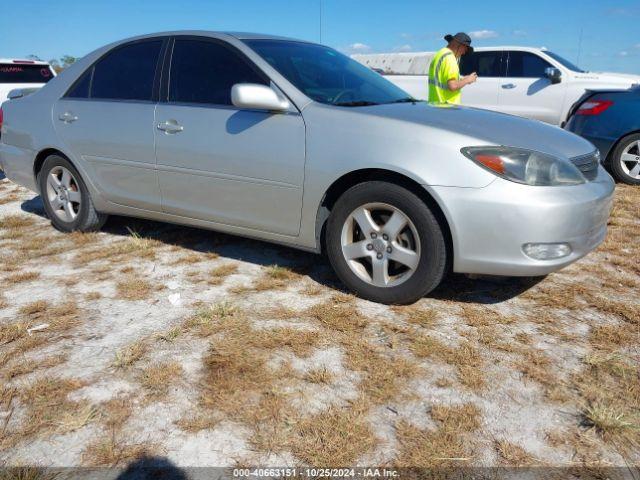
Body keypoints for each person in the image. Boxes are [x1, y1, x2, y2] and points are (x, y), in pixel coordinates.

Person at [428, 32, 478, 104]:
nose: (463, 53)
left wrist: (462, 80)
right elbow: (452, 86)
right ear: (459, 45)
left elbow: (443, 80)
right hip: (447, 108)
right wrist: (467, 80)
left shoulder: (440, 54)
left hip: (435, 105)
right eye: (465, 49)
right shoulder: (450, 58)